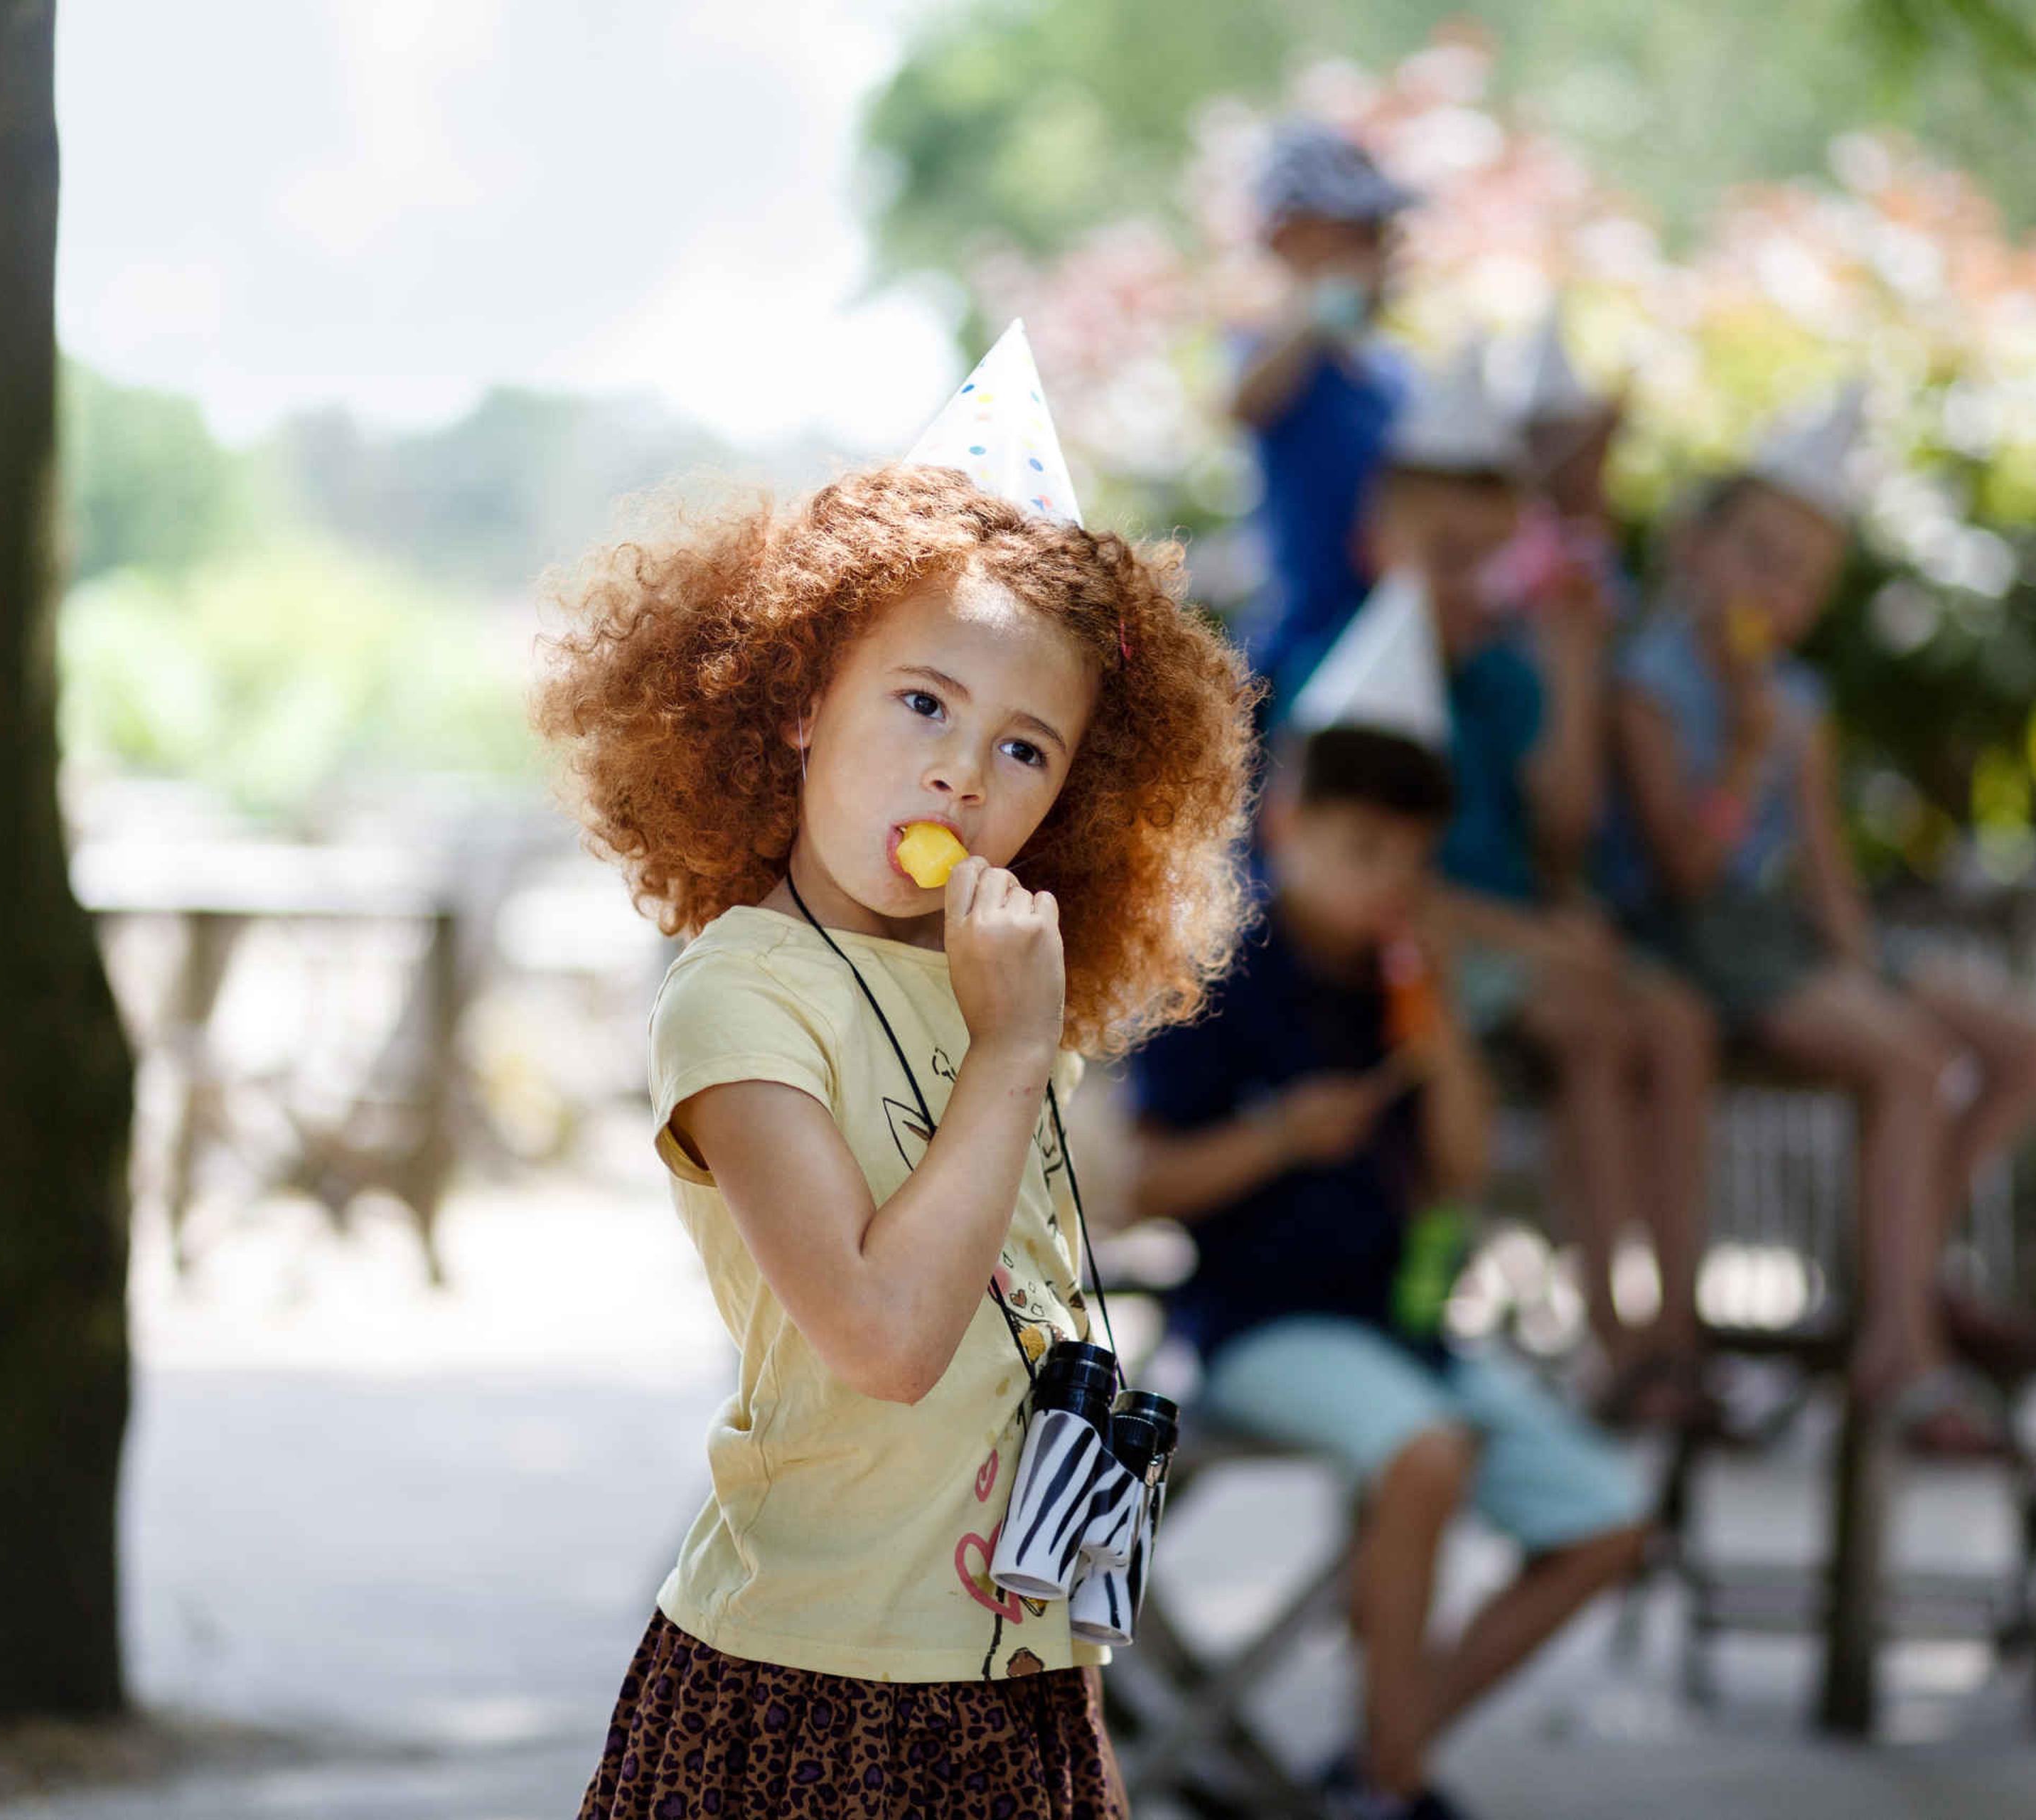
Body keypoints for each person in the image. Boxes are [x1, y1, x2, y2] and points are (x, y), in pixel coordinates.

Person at [531, 323, 1260, 1818]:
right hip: (809, 1690)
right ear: (801, 698)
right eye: (921, 702)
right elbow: (882, 1338)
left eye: (1025, 749)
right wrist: (1006, 1055)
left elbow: (1027, 1329)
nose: (961, 776)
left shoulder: (990, 988)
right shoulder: (743, 988)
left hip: (1020, 1684)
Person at [1125, 723, 1649, 1820]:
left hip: (1404, 1332)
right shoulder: (1219, 972)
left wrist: (1443, 1022)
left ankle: (1380, 1756)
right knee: (1424, 1454)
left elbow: (1458, 1175)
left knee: (1608, 1518)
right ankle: (1393, 1782)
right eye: (1364, 849)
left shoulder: (1405, 981)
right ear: (1289, 830)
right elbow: (1135, 1188)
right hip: (1259, 1330)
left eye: (1413, 858)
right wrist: (1276, 1140)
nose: (1391, 883)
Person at [1599, 387, 2036, 1454]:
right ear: (1698, 549)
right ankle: (1902, 1348)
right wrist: (1746, 748)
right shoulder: (1651, 685)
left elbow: (1825, 871)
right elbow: (1688, 869)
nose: (1778, 587)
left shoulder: (1798, 702)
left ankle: (1894, 1275)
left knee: (2027, 1043)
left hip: (1794, 944)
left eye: (1803, 572)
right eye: (1759, 554)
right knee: (1909, 1066)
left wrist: (1863, 974)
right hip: (1705, 945)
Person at [1329, 338, 1721, 1427]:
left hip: (1510, 950)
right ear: (1381, 541)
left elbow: (1562, 828)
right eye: (1444, 553)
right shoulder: (1342, 670)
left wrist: (1573, 656)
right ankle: (1622, 1344)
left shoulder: (1502, 672)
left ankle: (1671, 1336)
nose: (1469, 581)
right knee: (1589, 1029)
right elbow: (1383, 888)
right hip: (1420, 968)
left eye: (1485, 556)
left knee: (1671, 1022)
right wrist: (1552, 945)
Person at [1226, 119, 1418, 710]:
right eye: (1354, 233)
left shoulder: (1393, 372)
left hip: (1394, 637)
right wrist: (1315, 312)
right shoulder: (1267, 349)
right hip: (1304, 641)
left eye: (1379, 234)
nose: (1376, 250)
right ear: (1286, 239)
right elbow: (1243, 404)